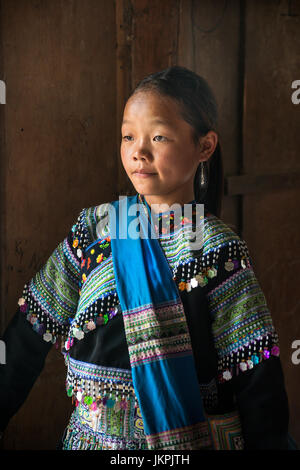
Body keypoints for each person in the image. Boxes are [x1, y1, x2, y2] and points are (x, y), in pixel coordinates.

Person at [0, 66, 291, 450]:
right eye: (128, 136)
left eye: (158, 136)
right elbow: (28, 335)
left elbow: (257, 375)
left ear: (204, 146)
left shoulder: (220, 250)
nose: (138, 150)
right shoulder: (95, 229)